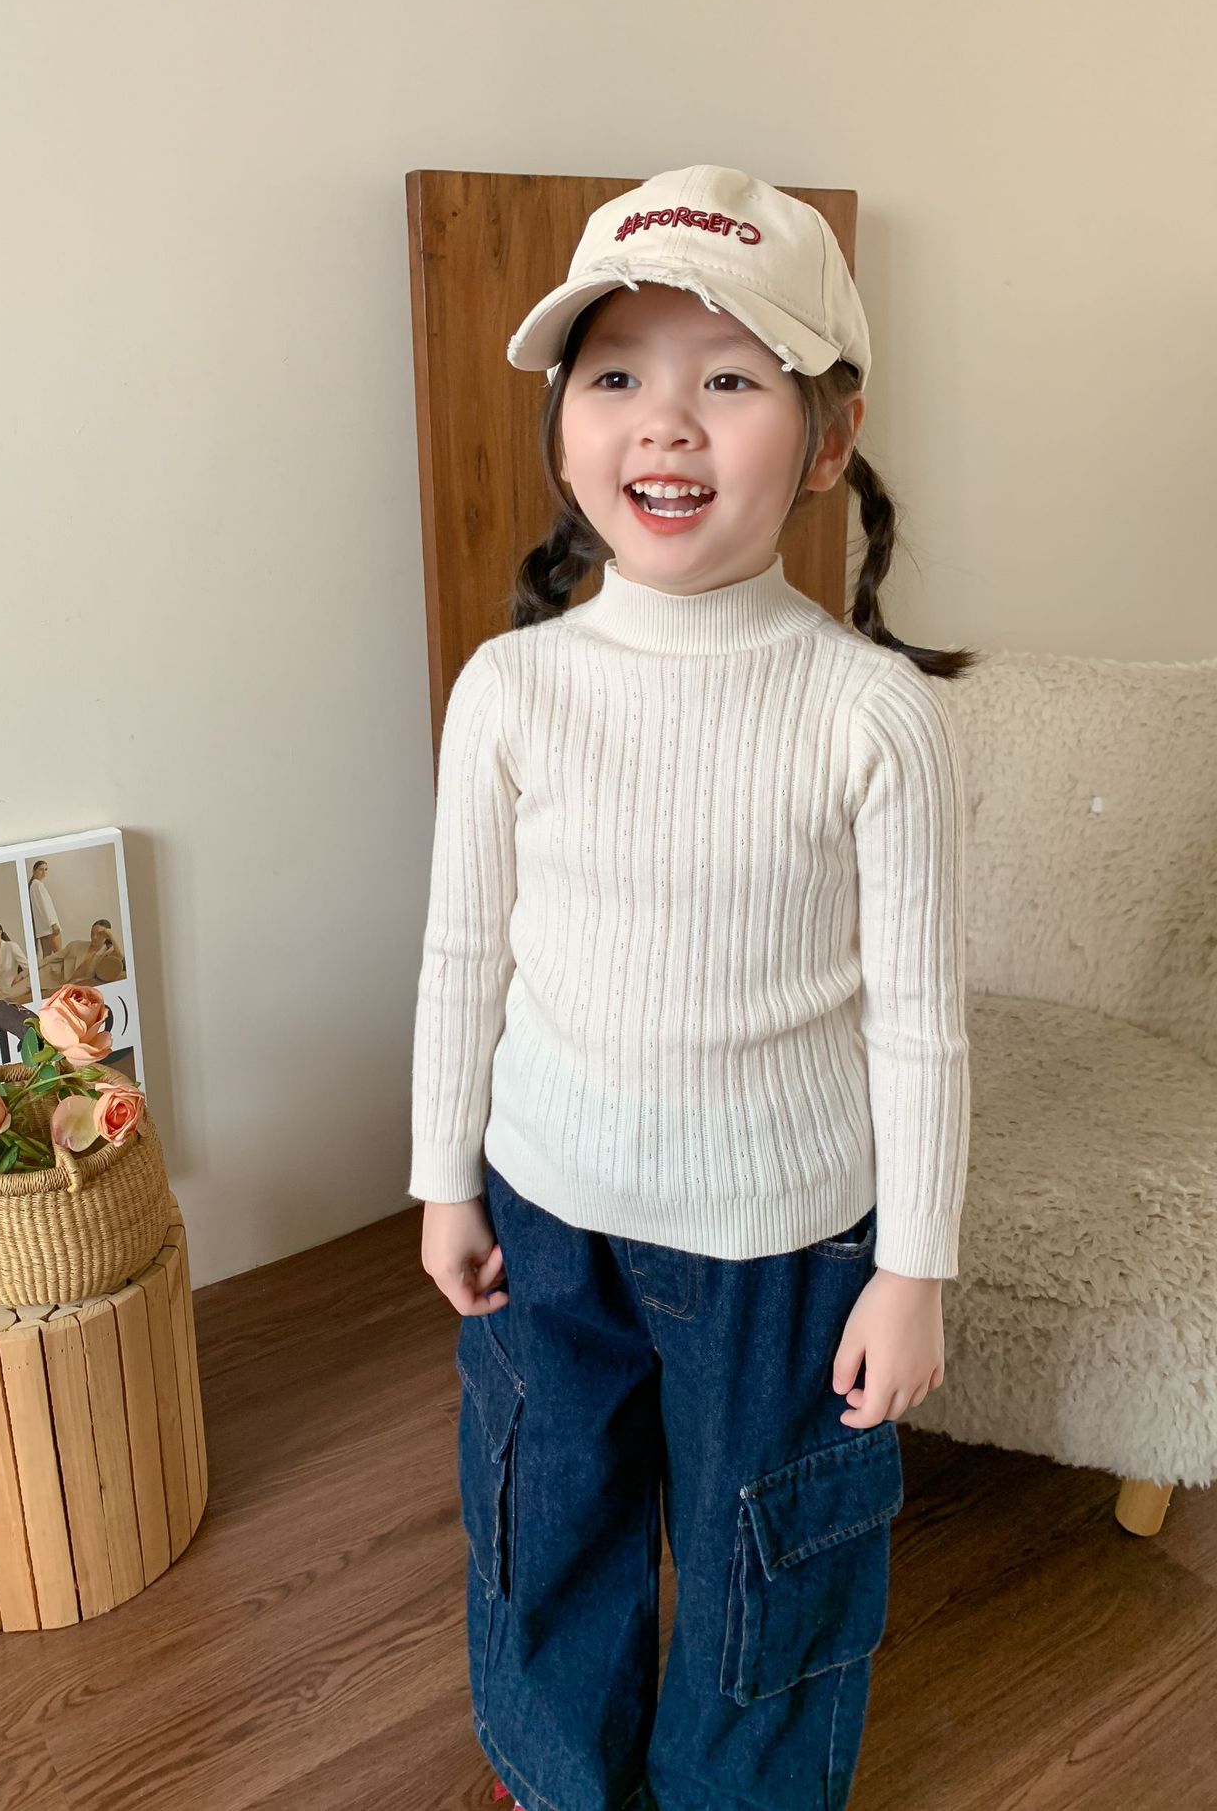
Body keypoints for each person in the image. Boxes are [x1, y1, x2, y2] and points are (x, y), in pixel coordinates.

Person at [409, 164, 978, 1811]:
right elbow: (464, 952)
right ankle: (559, 1776)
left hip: (787, 1246)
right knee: (545, 1519)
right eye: (616, 375)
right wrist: (444, 1172)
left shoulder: (873, 713)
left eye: (729, 377)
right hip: (545, 1214)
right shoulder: (511, 688)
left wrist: (916, 1268)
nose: (665, 422)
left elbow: (921, 1017)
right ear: (565, 424)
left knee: (770, 1566)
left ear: (829, 435)